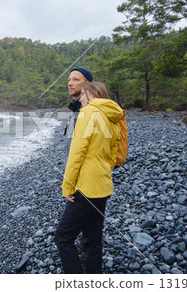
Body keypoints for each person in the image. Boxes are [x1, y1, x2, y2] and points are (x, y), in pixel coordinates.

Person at [55, 82, 123, 274]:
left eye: (83, 95)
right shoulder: (113, 117)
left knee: (63, 237)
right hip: (103, 185)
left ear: (91, 94)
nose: (81, 100)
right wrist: (101, 168)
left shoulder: (87, 113)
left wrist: (67, 187)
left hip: (86, 187)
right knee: (94, 238)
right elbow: (113, 154)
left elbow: (77, 154)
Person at [64, 67, 93, 146]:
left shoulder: (89, 109)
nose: (70, 83)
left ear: (87, 83)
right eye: (69, 80)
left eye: (75, 80)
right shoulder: (76, 108)